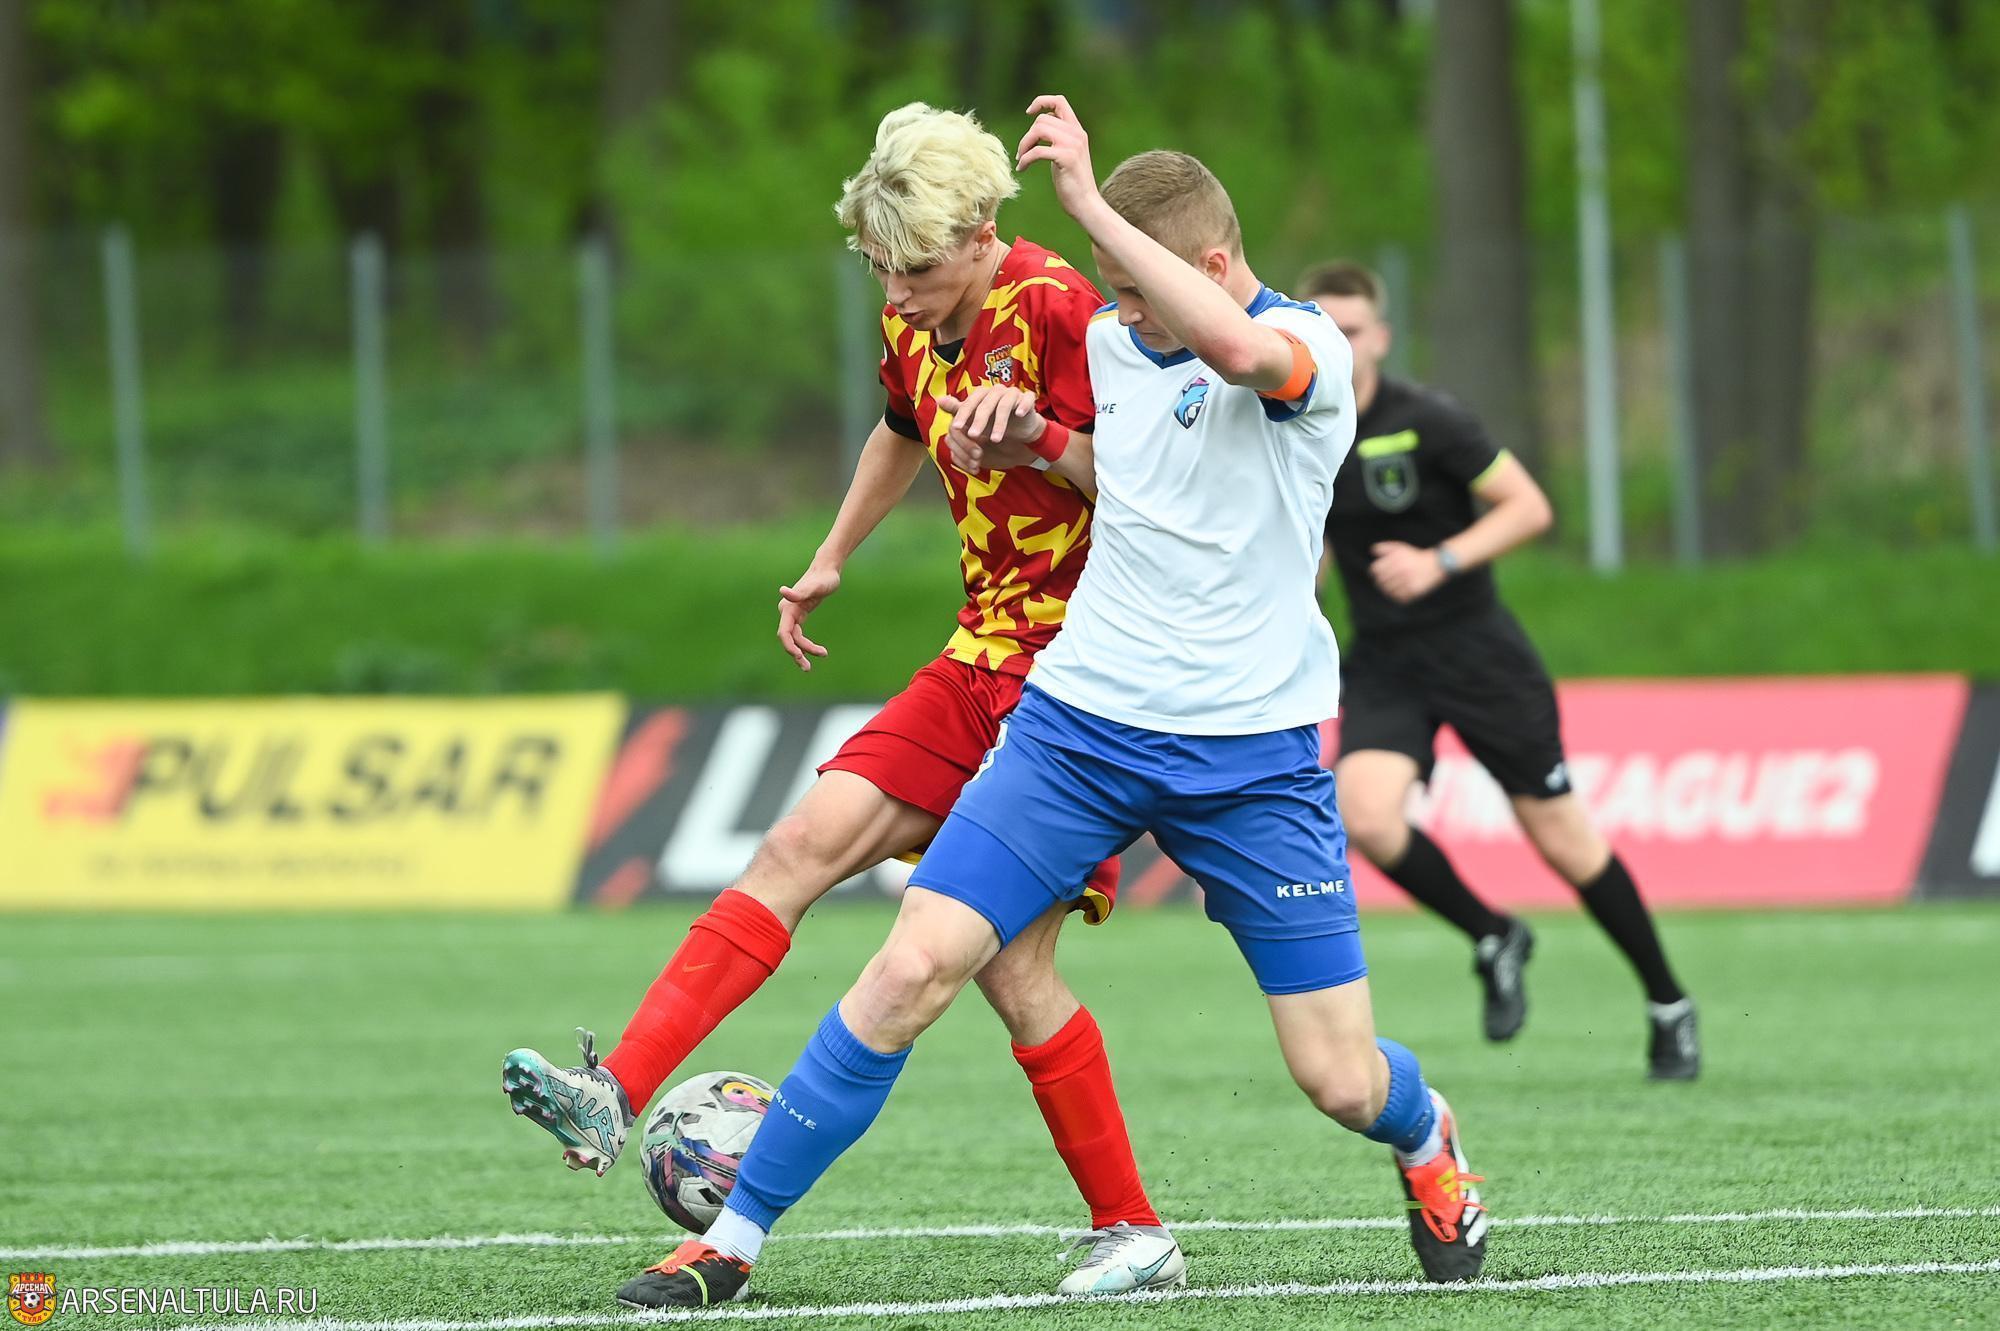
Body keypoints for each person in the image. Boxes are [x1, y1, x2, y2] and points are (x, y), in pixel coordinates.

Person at [616, 96, 1490, 1312]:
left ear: (1210, 267)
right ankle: (732, 1240)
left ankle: (1424, 1129)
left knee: (1338, 1078)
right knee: (910, 965)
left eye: (1131, 291)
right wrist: (1036, 438)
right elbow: (1115, 474)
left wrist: (1083, 202)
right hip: (1077, 725)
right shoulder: (1125, 346)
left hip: (1251, 753)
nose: (1113, 316)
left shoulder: (1305, 347)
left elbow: (1241, 359)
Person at [502, 102, 1182, 1299]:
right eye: (879, 267)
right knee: (795, 845)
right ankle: (613, 1090)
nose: (897, 291)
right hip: (978, 655)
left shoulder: (1061, 308)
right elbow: (898, 427)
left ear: (981, 233)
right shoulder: (911, 309)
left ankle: (1132, 1227)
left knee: (1008, 971)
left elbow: (1155, 484)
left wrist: (1037, 439)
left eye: (915, 268)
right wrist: (830, 555)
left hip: (1080, 683)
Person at [1298, 259, 1699, 1080]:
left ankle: (1668, 1000)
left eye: (1352, 328)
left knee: (1562, 838)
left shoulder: (1431, 419)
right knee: (1365, 816)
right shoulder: (1305, 429)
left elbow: (1529, 506)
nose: (1340, 342)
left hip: (1479, 653)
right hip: (1386, 663)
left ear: (1381, 337)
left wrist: (1439, 559)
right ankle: (1494, 933)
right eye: (1322, 327)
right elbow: (1317, 546)